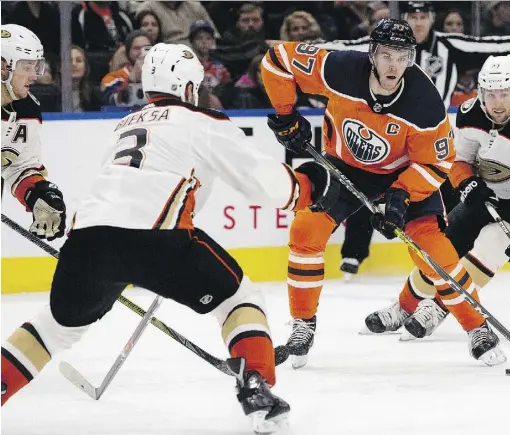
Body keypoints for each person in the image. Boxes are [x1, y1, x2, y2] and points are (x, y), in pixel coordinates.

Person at [1, 43, 340, 434]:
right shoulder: (201, 121)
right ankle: (256, 385)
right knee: (238, 300)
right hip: (158, 239)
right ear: (190, 87)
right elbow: (264, 183)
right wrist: (310, 184)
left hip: (87, 242)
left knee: (52, 329)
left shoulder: (124, 125)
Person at [262, 19, 500, 368]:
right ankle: (302, 323)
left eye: (402, 56)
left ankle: (476, 327)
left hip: (402, 175)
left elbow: (437, 164)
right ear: (372, 53)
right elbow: (277, 59)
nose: (393, 65)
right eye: (386, 55)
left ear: (411, 58)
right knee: (305, 230)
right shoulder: (340, 69)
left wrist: (401, 196)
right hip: (343, 167)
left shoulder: (424, 102)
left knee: (435, 252)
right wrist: (286, 116)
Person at [322, 0, 510, 278]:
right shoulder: (388, 45)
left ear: (432, 18)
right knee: (369, 185)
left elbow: (491, 48)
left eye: (423, 16)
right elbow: (343, 51)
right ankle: (354, 253)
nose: (418, 22)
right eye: (412, 16)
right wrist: (303, 52)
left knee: (453, 200)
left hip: (430, 141)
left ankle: (448, 264)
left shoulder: (449, 47)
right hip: (388, 136)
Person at [366, 55, 510, 345]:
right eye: (490, 94)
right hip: (492, 192)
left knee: (490, 245)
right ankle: (404, 306)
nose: (498, 102)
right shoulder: (469, 114)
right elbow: (457, 160)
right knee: (444, 247)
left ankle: (438, 309)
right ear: (480, 93)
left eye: (504, 93)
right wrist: (467, 182)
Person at [1, 24, 67, 241]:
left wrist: (39, 194)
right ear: (3, 67)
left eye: (36, 67)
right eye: (27, 67)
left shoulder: (26, 111)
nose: (35, 76)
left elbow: (18, 167)